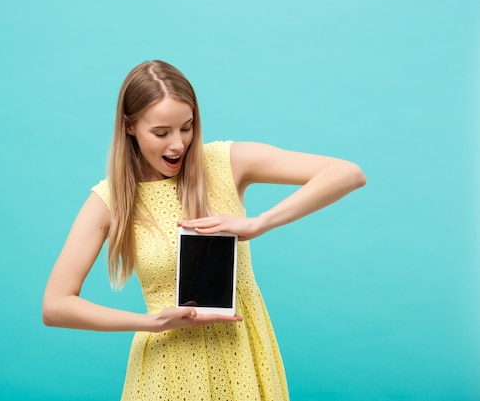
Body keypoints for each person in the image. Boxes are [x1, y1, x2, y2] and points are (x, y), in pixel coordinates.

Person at [42, 60, 366, 400]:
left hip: (243, 358)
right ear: (129, 127)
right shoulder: (109, 200)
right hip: (168, 369)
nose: (178, 144)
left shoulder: (226, 162)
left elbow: (347, 173)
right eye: (161, 132)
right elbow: (55, 305)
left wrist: (257, 224)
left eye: (187, 127)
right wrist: (151, 322)